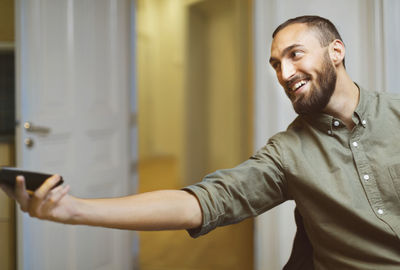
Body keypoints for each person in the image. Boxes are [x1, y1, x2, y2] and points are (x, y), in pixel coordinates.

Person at [1, 15, 400, 269]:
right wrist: (74, 210)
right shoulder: (286, 153)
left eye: (295, 55)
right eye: (277, 64)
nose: (284, 72)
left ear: (336, 52)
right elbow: (201, 202)